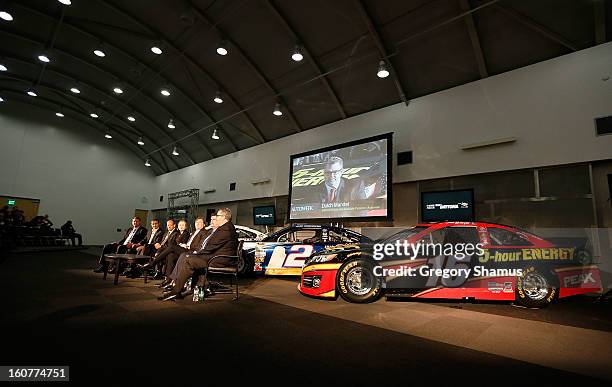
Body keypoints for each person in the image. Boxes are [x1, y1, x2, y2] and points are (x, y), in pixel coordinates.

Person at [159, 209, 237, 301]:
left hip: (219, 260)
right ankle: (178, 286)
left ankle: (177, 290)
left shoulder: (226, 229)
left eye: (218, 216)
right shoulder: (224, 228)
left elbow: (210, 247)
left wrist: (196, 253)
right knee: (185, 255)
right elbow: (210, 246)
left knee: (188, 259)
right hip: (214, 256)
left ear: (223, 217)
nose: (216, 218)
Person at [143, 216, 209, 287]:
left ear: (204, 224)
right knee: (170, 255)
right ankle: (168, 280)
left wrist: (188, 246)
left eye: (199, 223)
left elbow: (200, 246)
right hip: (185, 248)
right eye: (196, 222)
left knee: (171, 247)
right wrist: (184, 245)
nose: (197, 224)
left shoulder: (204, 232)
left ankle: (152, 263)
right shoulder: (193, 232)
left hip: (191, 251)